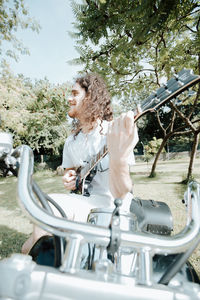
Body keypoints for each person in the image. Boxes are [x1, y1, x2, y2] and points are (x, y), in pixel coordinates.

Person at [21, 73, 138, 254]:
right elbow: (72, 174)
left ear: (90, 97)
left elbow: (122, 192)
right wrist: (70, 178)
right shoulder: (71, 141)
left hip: (110, 207)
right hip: (84, 201)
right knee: (26, 247)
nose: (69, 98)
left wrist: (118, 156)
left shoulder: (114, 130)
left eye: (75, 94)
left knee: (46, 211)